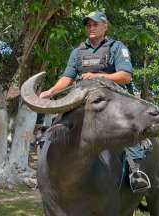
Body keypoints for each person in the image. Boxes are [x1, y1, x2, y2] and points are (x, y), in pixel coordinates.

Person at [40, 11, 151, 192]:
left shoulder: (116, 47)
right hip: (82, 99)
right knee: (57, 127)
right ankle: (48, 171)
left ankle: (135, 171)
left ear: (105, 26)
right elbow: (67, 77)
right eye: (88, 25)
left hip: (111, 100)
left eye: (95, 24)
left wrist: (98, 76)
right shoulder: (78, 51)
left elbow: (125, 76)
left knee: (128, 128)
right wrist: (51, 91)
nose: (91, 28)